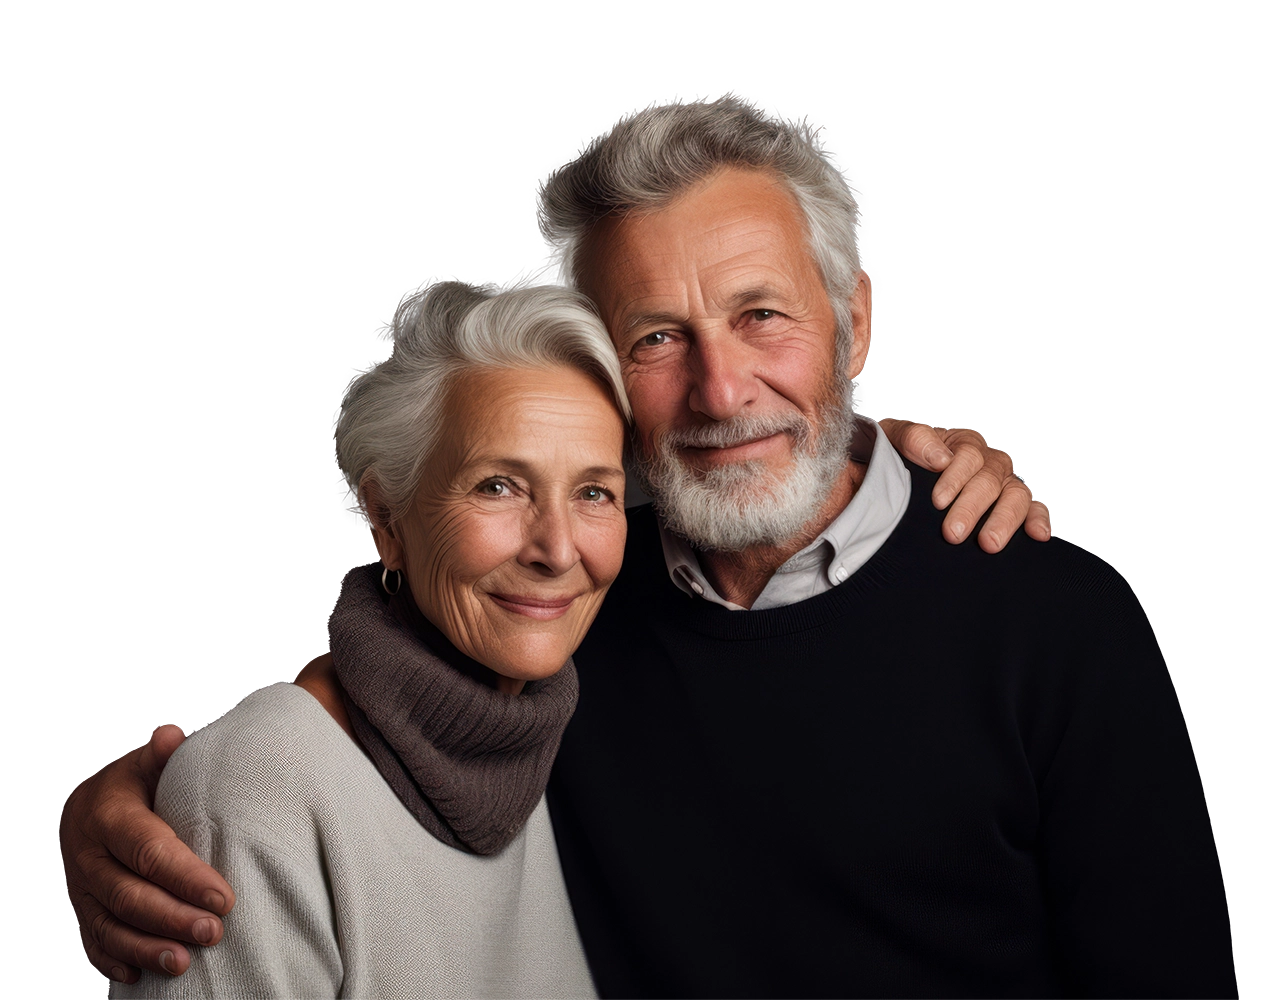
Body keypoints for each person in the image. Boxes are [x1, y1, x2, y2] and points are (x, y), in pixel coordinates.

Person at [67, 95, 1224, 995]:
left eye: (761, 315)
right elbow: (366, 718)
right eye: (658, 337)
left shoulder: (1055, 617)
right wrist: (132, 802)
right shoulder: (569, 602)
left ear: (854, 322)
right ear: (599, 377)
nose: (722, 389)